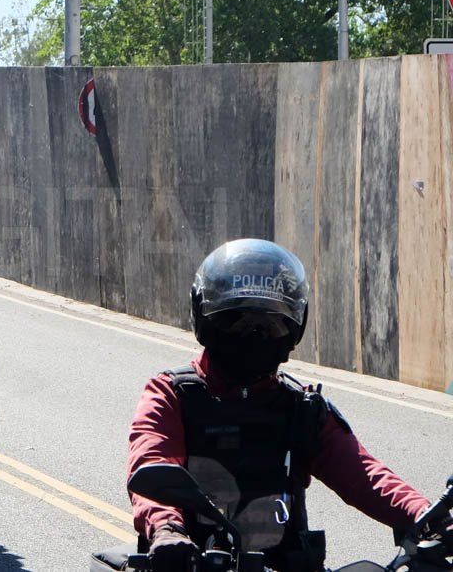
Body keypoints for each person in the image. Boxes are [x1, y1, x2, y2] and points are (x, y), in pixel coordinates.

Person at [125, 239, 451, 572]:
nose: (253, 336)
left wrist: (424, 515)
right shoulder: (171, 395)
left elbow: (364, 474)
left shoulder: (302, 408)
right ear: (205, 319)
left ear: (294, 329)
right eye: (236, 321)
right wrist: (167, 531)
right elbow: (153, 462)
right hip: (192, 564)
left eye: (270, 325)